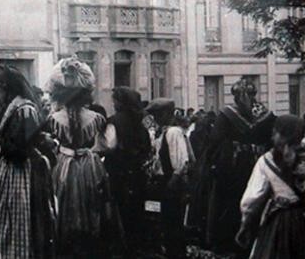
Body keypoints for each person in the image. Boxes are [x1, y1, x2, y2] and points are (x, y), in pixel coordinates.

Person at [236, 115, 305, 259]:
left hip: (279, 224)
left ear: (276, 133)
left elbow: (250, 201)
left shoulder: (265, 161)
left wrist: (245, 224)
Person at [44, 57, 117, 258]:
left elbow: (49, 143)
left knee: (64, 205)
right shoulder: (96, 119)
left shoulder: (54, 119)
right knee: (92, 205)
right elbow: (109, 144)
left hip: (64, 166)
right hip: (89, 166)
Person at [0, 67, 56, 258]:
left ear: (6, 88)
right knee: (6, 219)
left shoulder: (24, 109)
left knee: (18, 220)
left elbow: (21, 149)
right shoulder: (14, 108)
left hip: (21, 173)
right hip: (10, 171)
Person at [200, 78, 276, 254]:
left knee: (229, 205)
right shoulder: (265, 114)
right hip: (260, 166)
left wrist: (211, 163)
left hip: (232, 168)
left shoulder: (227, 115)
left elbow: (214, 142)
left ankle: (230, 242)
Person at [103, 87, 152, 254]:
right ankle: (137, 247)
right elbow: (147, 148)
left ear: (119, 102)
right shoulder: (140, 122)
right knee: (136, 212)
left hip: (118, 173)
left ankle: (122, 249)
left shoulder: (113, 121)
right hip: (137, 174)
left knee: (119, 213)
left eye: (114, 100)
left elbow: (110, 146)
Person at [145, 98, 196, 259]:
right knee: (167, 224)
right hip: (163, 182)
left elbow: (181, 162)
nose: (156, 118)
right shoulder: (162, 133)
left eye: (158, 114)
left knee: (173, 224)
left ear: (168, 114)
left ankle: (176, 254)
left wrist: (172, 184)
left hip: (171, 183)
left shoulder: (174, 132)